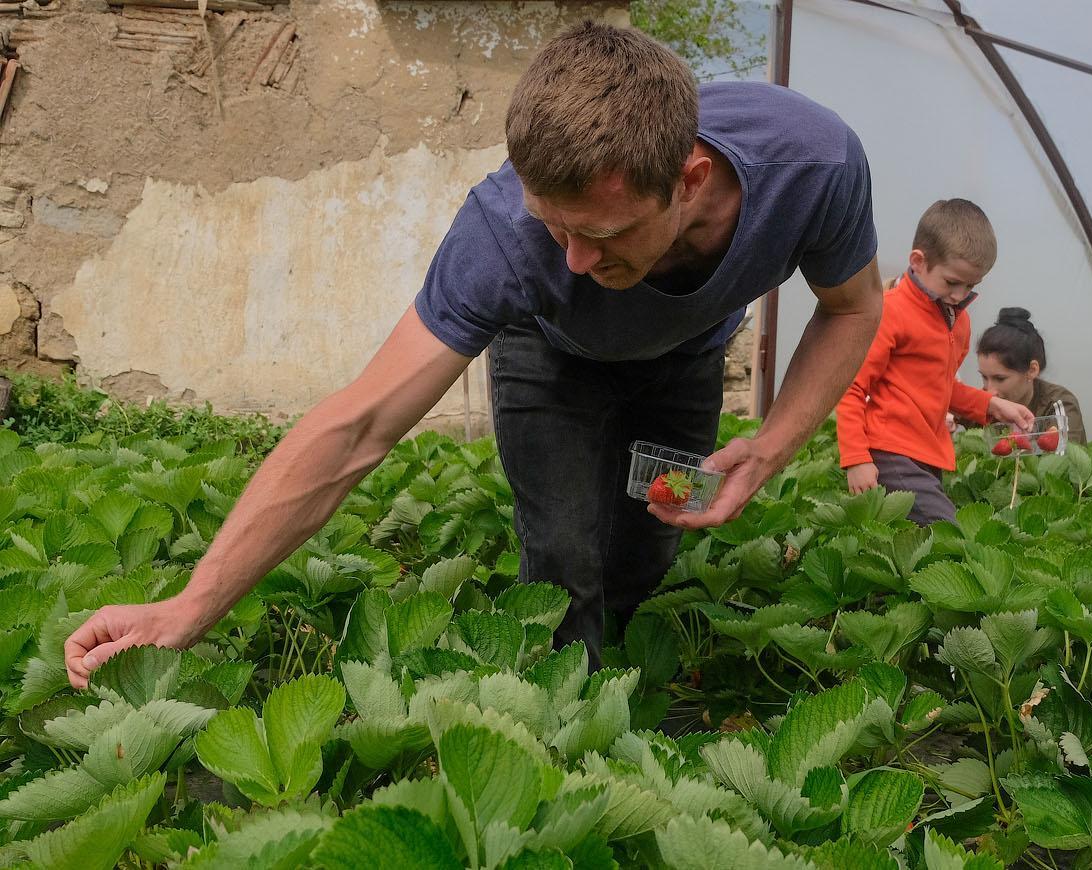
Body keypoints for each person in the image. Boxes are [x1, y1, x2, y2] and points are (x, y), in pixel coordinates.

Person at [64, 22, 884, 685]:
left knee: (646, 548)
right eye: (553, 227)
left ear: (691, 179)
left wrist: (773, 447)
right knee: (561, 554)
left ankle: (623, 692)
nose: (573, 262)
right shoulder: (502, 237)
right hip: (551, 359)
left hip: (687, 359)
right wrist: (186, 609)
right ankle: (559, 728)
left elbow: (850, 310)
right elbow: (359, 427)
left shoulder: (816, 166)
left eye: (602, 234)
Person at [836, 199, 1034, 526]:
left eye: (971, 285)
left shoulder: (959, 320)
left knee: (915, 547)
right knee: (947, 536)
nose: (960, 294)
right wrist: (856, 458)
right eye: (952, 282)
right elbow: (852, 385)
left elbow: (942, 387)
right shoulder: (891, 312)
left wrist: (992, 406)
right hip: (890, 452)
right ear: (918, 261)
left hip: (927, 454)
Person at [976, 307, 1087, 443]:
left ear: (1032, 370)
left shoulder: (1057, 403)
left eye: (1000, 379)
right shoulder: (978, 403)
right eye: (984, 377)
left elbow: (1062, 461)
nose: (990, 391)